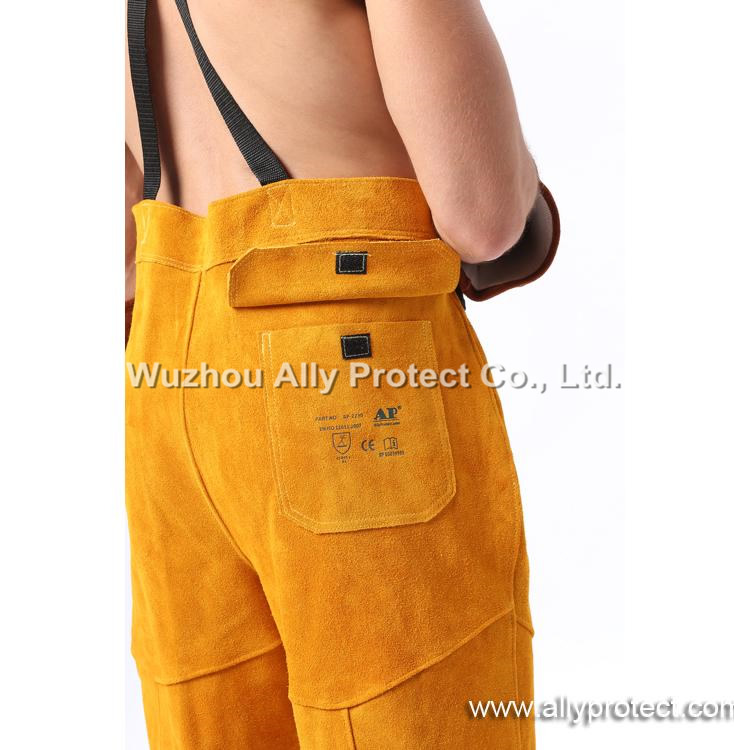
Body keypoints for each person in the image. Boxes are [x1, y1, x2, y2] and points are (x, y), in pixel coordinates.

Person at [125, 1, 559, 747]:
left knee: (212, 711)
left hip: (172, 379)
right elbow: (483, 215)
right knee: (416, 710)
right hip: (342, 383)